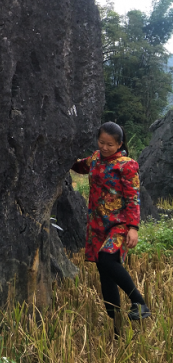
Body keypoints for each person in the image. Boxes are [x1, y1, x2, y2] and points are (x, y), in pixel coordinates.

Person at [71, 121, 151, 336]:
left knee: (107, 259)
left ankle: (139, 302)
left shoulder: (126, 165)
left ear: (120, 144)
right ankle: (117, 329)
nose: (105, 148)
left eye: (110, 144)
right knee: (105, 274)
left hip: (118, 224)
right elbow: (80, 166)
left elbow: (133, 198)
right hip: (97, 225)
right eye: (101, 142)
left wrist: (133, 227)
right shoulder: (96, 158)